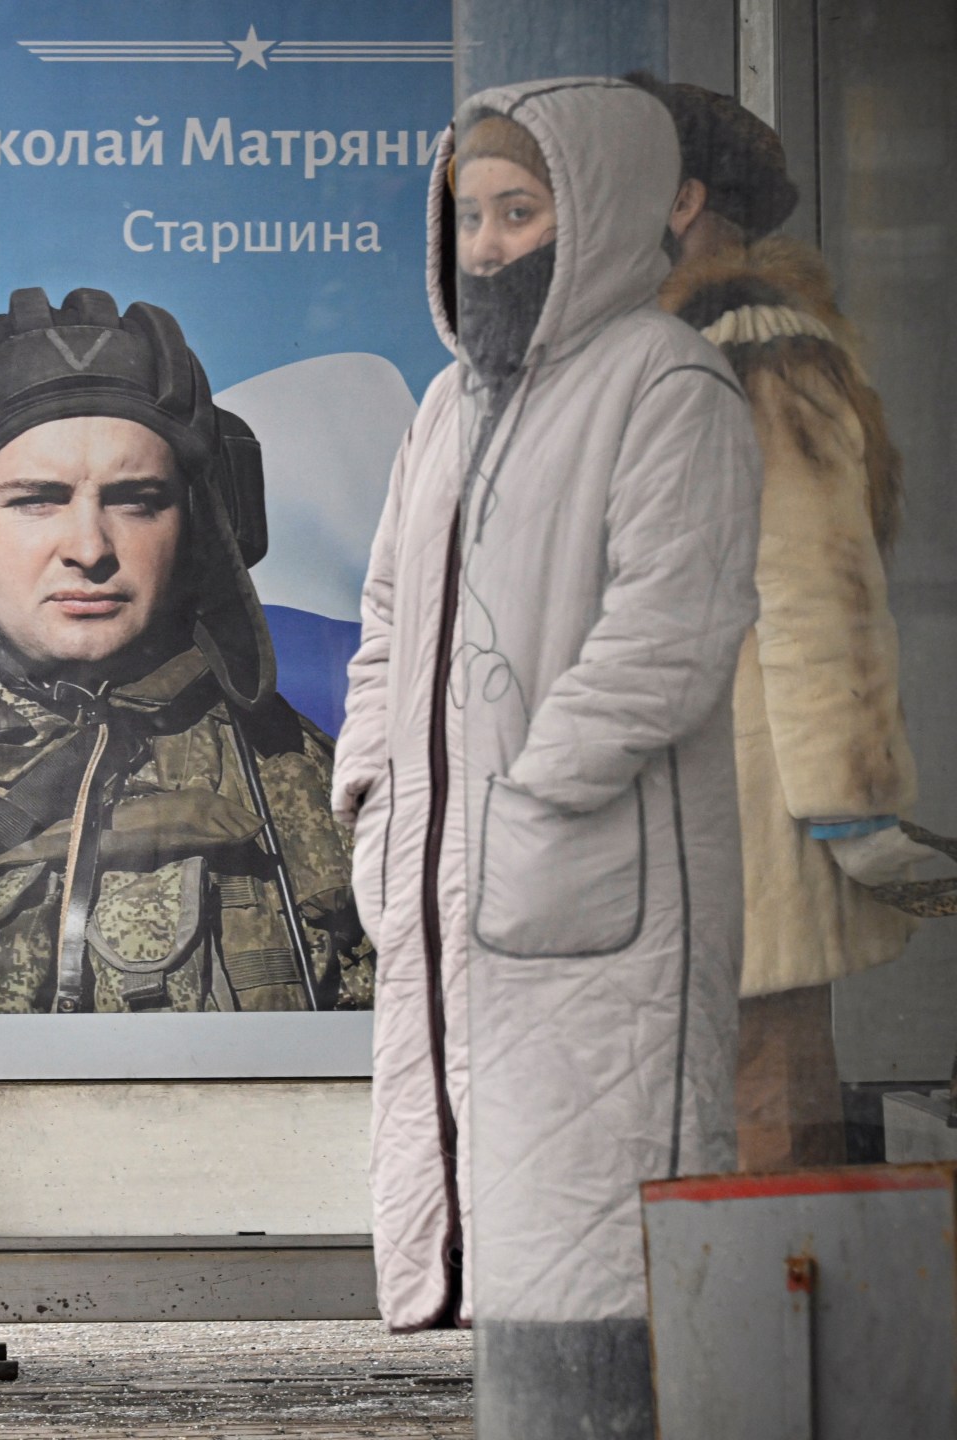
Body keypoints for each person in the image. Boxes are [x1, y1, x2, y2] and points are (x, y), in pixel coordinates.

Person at [331, 80, 760, 1436]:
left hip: (597, 892)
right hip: (458, 891)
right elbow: (388, 624)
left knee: (606, 1260)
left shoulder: (668, 384)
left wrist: (524, 805)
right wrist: (375, 796)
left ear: (608, 212)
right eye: (470, 217)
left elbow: (670, 632)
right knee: (502, 1233)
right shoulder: (447, 408)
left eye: (522, 212)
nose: (489, 246)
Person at [0, 286, 369, 1016]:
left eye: (137, 500)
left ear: (198, 529)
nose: (89, 549)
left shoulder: (297, 777)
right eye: (36, 499)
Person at [630, 74, 954, 1171]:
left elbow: (821, 593)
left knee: (762, 1129)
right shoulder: (675, 352)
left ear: (682, 200)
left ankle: (772, 1294)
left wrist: (849, 814)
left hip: (753, 810)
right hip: (700, 807)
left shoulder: (753, 349)